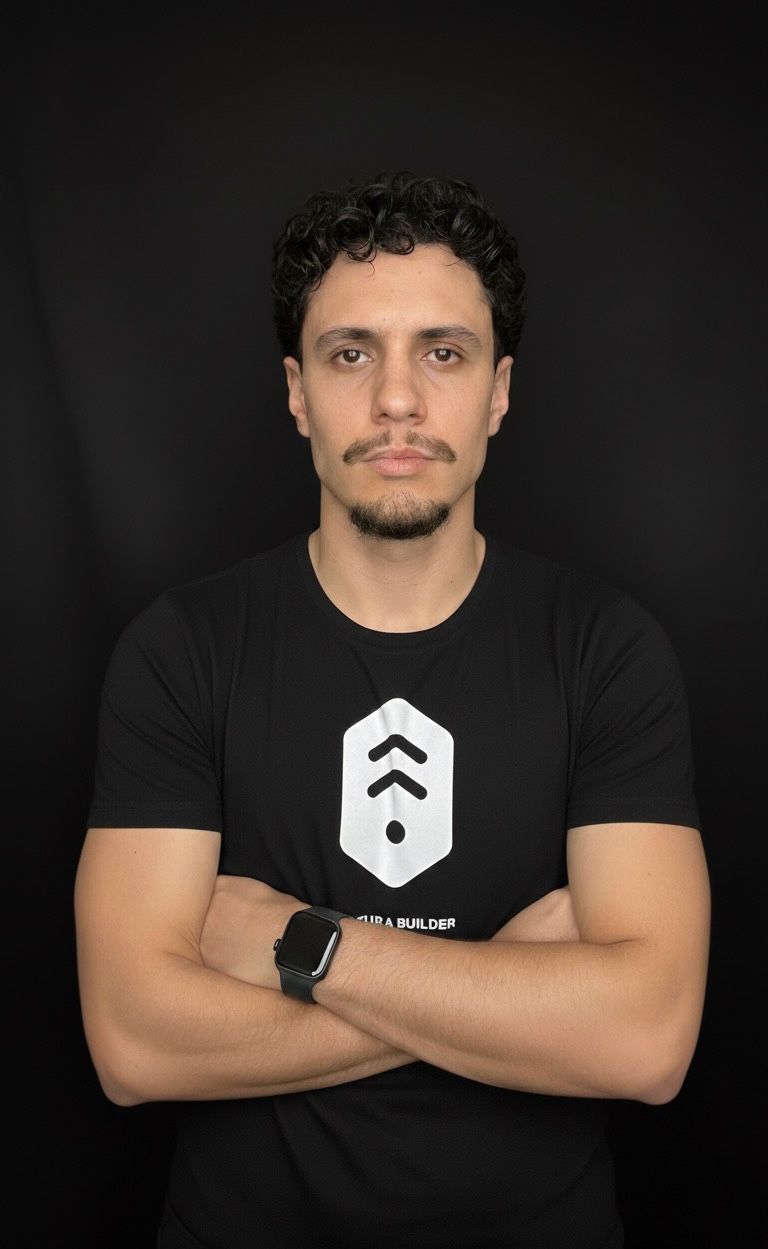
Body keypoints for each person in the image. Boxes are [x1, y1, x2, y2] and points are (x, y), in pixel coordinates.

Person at [75, 171, 711, 1249]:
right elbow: (134, 1047)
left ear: (500, 391)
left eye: (444, 353)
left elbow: (647, 1043)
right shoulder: (183, 650)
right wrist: (512, 988)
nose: (398, 400)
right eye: (351, 353)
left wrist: (298, 944)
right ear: (296, 391)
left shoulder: (606, 650)